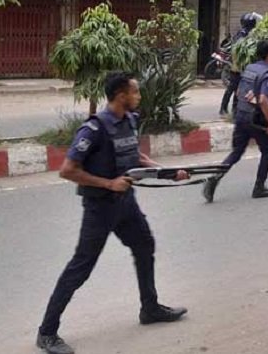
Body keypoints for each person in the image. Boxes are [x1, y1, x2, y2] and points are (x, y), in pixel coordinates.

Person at [36, 72, 188, 354]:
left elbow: (136, 157)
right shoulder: (94, 129)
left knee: (145, 246)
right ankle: (46, 332)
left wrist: (167, 173)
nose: (139, 97)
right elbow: (67, 170)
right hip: (100, 208)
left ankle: (150, 308)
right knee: (80, 268)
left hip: (125, 203)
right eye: (136, 92)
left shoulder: (130, 120)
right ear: (121, 95)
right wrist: (108, 183)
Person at [203, 39, 268, 202]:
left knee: (236, 152)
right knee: (267, 150)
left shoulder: (249, 69)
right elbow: (264, 100)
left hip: (241, 115)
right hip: (257, 119)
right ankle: (259, 187)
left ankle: (215, 177)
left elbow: (238, 92)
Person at [220, 12, 263, 116]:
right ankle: (223, 109)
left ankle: (234, 110)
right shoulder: (243, 34)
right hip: (237, 67)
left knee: (238, 90)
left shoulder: (245, 33)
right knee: (232, 89)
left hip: (241, 67)